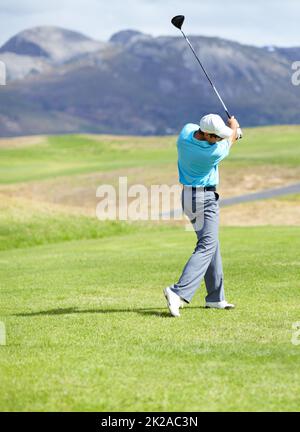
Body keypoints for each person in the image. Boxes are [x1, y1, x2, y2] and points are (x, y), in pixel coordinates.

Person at [164, 113, 240, 317]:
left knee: (211, 244)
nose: (218, 139)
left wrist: (230, 131)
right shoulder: (212, 153)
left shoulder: (185, 133)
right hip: (203, 199)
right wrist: (234, 128)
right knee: (206, 246)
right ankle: (177, 291)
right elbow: (230, 140)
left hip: (188, 197)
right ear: (206, 135)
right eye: (216, 136)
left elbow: (227, 137)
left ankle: (215, 298)